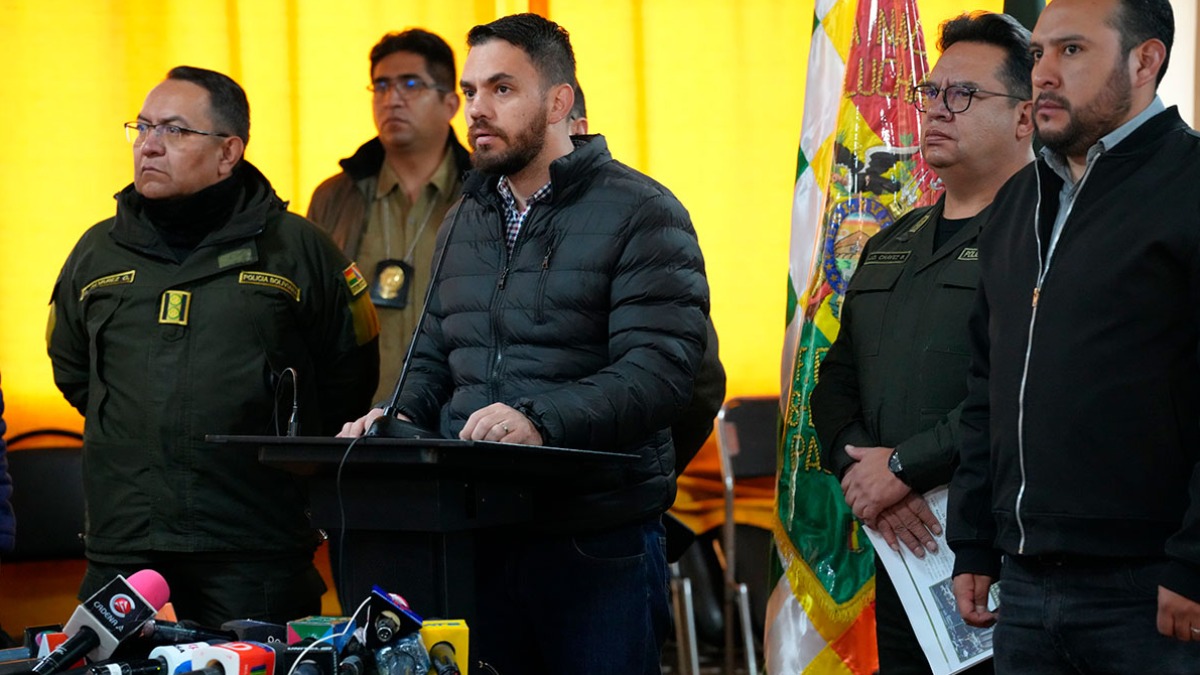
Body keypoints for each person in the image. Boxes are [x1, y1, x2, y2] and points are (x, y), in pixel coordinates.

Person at [341, 13, 709, 673]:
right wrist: (392, 421)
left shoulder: (642, 210)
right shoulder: (466, 215)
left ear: (559, 102)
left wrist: (538, 419)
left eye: (502, 89)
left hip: (595, 537)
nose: (478, 109)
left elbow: (661, 373)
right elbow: (433, 358)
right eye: (473, 90)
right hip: (474, 533)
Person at [47, 66, 380, 626]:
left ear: (228, 153)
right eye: (143, 127)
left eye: (174, 131)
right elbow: (74, 370)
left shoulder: (298, 250)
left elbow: (347, 376)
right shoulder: (97, 252)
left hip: (253, 542)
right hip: (128, 539)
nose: (149, 146)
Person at [946, 0, 1200, 670]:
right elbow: (986, 385)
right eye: (1038, 54)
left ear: (1146, 60)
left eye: (1072, 51)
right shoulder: (1017, 202)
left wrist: (1195, 563)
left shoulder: (1189, 186)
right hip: (1022, 588)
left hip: (1153, 591)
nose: (1044, 74)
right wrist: (972, 541)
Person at [810, 12, 1034, 673]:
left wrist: (901, 466)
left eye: (962, 94)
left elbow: (1023, 393)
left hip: (1001, 555)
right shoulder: (889, 242)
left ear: (1026, 117)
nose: (937, 109)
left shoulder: (1046, 238)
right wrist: (863, 475)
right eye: (930, 93)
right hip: (904, 556)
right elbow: (834, 381)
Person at [308, 29, 471, 403]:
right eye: (381, 86)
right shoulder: (335, 196)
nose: (392, 99)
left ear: (450, 104)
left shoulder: (483, 193)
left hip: (454, 420)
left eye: (410, 84)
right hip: (352, 422)